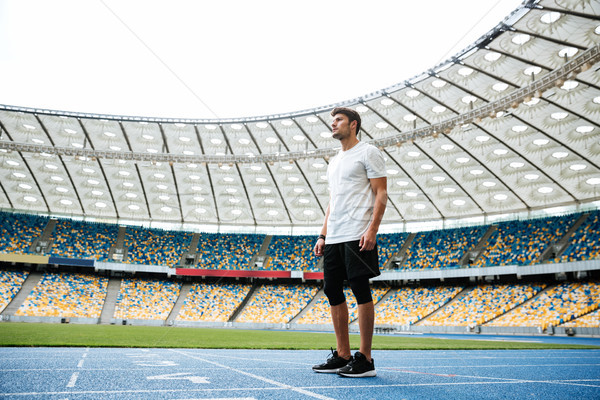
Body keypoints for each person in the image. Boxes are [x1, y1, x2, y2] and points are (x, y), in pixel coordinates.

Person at [312, 106, 387, 378]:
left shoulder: (368, 152)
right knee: (332, 289)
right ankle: (343, 354)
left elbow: (381, 193)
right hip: (334, 235)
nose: (333, 124)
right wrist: (323, 234)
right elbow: (334, 202)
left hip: (357, 232)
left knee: (359, 288)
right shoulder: (334, 161)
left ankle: (365, 359)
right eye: (332, 120)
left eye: (339, 120)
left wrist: (372, 230)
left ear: (353, 124)